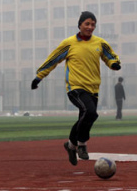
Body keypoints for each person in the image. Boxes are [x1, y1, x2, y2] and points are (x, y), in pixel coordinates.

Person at [31, 11, 121, 166]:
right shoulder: (69, 43)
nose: (90, 27)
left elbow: (110, 56)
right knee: (91, 112)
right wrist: (39, 76)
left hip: (93, 87)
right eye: (87, 24)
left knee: (86, 117)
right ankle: (82, 144)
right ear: (79, 25)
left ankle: (70, 146)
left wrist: (114, 63)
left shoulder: (100, 43)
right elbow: (53, 59)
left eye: (93, 24)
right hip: (75, 87)